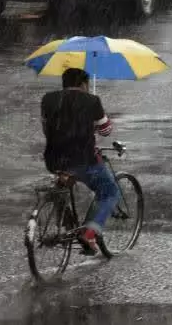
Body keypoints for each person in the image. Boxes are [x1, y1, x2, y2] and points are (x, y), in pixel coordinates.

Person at [40, 68, 118, 255]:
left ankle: (66, 221)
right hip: (83, 159)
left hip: (54, 159)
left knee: (64, 179)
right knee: (109, 191)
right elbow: (106, 131)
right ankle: (89, 233)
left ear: (64, 83)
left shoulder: (48, 99)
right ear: (84, 84)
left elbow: (46, 128)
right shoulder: (92, 100)